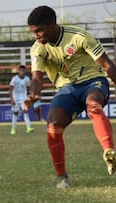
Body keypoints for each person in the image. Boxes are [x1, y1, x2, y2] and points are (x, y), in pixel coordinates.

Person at [26, 5, 116, 189]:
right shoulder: (38, 49)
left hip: (93, 81)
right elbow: (37, 78)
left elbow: (107, 65)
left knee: (93, 105)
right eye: (34, 32)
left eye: (39, 30)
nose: (36, 35)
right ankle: (62, 178)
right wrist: (34, 94)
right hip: (67, 89)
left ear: (52, 25)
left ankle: (109, 151)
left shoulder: (79, 37)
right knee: (53, 124)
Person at [9, 65, 34, 135]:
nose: (22, 72)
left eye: (23, 70)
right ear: (19, 71)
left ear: (25, 71)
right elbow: (10, 89)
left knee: (25, 111)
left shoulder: (27, 79)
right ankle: (13, 129)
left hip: (24, 97)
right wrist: (12, 99)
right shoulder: (14, 79)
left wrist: (29, 97)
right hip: (16, 97)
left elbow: (28, 88)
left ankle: (28, 128)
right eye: (21, 70)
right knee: (15, 113)